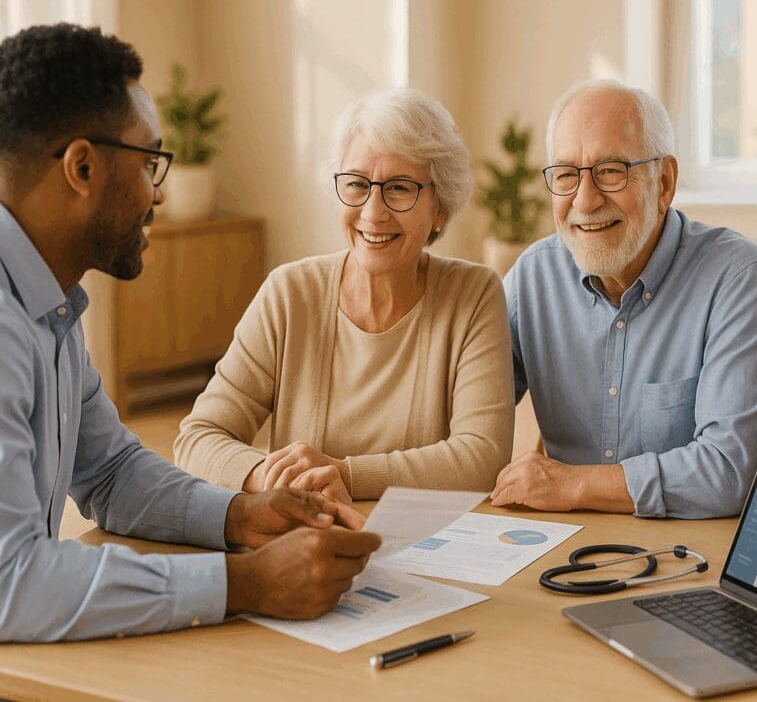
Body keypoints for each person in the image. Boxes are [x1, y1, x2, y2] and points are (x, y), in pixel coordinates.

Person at [0, 24, 381, 642]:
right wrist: (248, 582)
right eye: (149, 163)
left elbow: (110, 472)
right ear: (82, 167)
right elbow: (10, 582)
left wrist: (240, 515)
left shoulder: (51, 303)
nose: (160, 193)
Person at [175, 89, 513, 502]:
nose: (373, 212)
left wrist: (346, 475)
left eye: (399, 188)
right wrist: (272, 477)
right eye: (356, 184)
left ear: (439, 207)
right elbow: (198, 437)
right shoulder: (289, 294)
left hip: (424, 539)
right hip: (306, 532)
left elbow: (482, 458)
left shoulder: (474, 295)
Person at [490, 80, 757, 519]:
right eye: (566, 175)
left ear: (664, 183)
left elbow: (730, 470)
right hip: (558, 543)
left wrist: (576, 484)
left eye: (611, 171)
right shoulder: (532, 278)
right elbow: (464, 424)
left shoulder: (736, 277)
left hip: (683, 549)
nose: (585, 200)